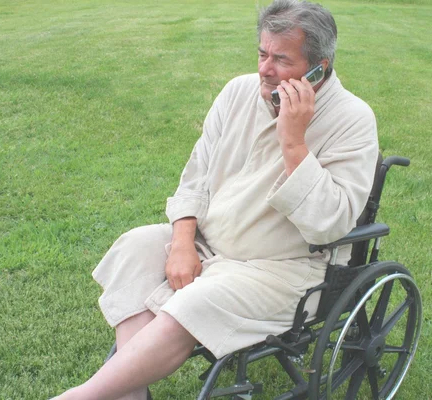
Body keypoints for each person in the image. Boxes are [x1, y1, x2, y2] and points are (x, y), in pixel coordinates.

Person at [53, 0, 378, 399]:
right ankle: (130, 391)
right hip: (208, 241)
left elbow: (331, 223)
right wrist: (183, 243)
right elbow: (196, 174)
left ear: (319, 68)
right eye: (262, 54)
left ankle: (82, 396)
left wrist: (294, 142)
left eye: (281, 59)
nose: (264, 69)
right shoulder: (238, 91)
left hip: (282, 270)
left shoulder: (353, 118)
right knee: (135, 247)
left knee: (196, 302)